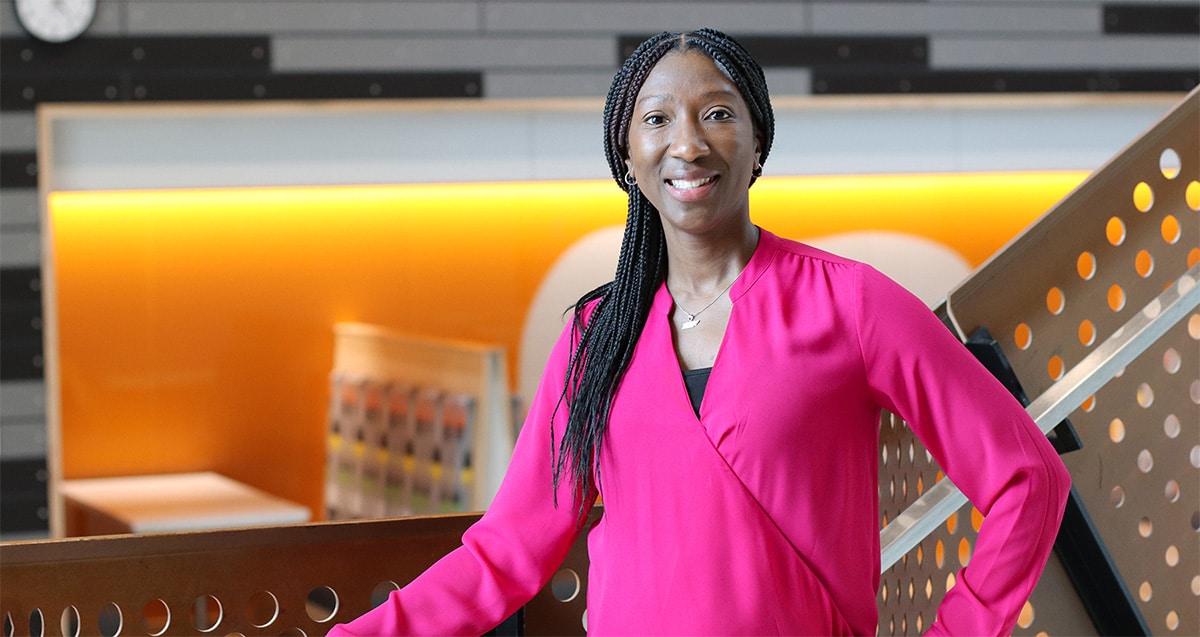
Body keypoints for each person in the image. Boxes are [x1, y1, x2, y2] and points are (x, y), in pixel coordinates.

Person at [328, 28, 1071, 636]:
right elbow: (510, 548)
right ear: (628, 157)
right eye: (657, 119)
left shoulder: (852, 305)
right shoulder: (596, 335)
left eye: (717, 113)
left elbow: (1028, 477)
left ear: (758, 143)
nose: (687, 143)